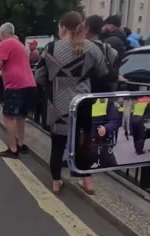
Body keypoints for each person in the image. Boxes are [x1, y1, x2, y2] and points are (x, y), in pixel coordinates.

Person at [35, 11, 109, 194]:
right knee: (83, 144)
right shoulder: (92, 48)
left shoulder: (50, 48)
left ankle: (56, 182)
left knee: (57, 145)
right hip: (82, 105)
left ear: (62, 27)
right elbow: (106, 75)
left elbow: (39, 77)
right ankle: (87, 181)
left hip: (57, 106)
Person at [0, 22, 37, 158]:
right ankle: (21, 144)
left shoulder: (6, 43)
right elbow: (9, 69)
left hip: (15, 86)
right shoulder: (20, 45)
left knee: (8, 116)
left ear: (2, 33)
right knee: (20, 116)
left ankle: (13, 149)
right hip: (29, 84)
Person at [85, 15, 119, 92]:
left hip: (88, 93)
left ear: (87, 29)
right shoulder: (110, 49)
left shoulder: (83, 48)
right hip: (104, 94)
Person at [90, 98, 119, 169]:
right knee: (80, 170)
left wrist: (106, 128)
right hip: (83, 143)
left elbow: (114, 121)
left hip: (101, 143)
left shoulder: (107, 100)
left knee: (113, 166)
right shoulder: (81, 96)